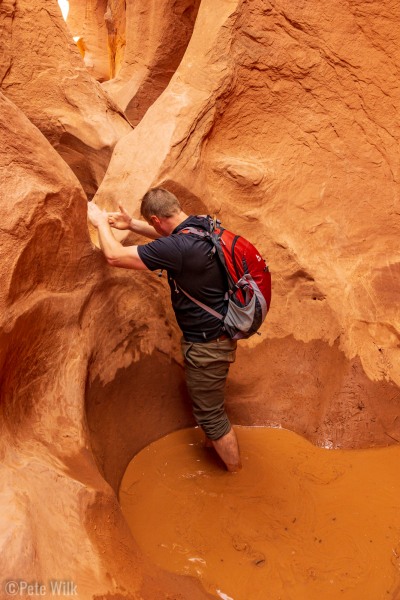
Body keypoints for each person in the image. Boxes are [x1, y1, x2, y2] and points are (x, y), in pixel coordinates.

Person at [87, 187, 242, 472]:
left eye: (152, 223)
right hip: (219, 334)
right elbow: (171, 240)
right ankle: (216, 453)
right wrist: (132, 224)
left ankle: (236, 476)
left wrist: (99, 223)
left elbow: (114, 256)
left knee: (212, 418)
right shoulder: (201, 225)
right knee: (210, 408)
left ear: (157, 219)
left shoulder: (179, 248)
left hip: (207, 346)